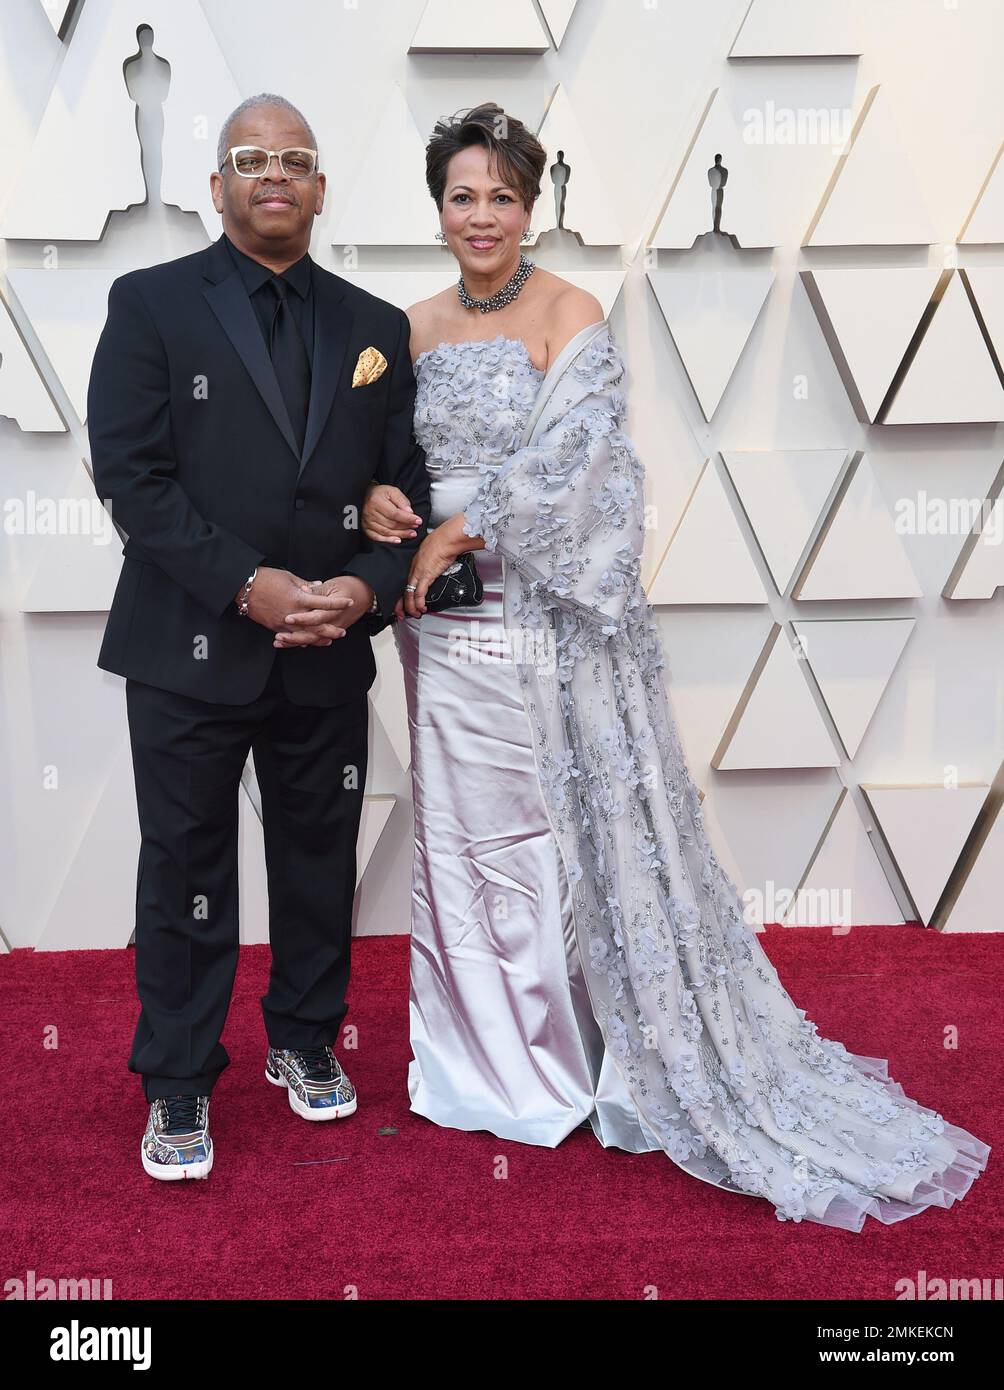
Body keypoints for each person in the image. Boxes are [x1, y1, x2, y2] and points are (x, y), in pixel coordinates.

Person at [355, 101, 991, 1229]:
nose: (482, 215)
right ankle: (480, 1063)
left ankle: (569, 1059)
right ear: (437, 206)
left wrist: (469, 522)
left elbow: (588, 470)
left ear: (530, 202)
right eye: (463, 196)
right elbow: (387, 458)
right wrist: (387, 501)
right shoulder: (407, 326)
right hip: (438, 629)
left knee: (550, 831)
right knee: (457, 835)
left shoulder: (571, 309)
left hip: (540, 622)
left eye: (502, 195)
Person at [88, 93, 430, 1179]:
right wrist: (249, 587)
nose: (272, 174)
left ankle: (304, 1040)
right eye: (250, 158)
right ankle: (179, 1082)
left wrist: (364, 590)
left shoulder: (375, 328)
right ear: (220, 187)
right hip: (187, 646)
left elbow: (402, 494)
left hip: (327, 650)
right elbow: (132, 483)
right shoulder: (148, 304)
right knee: (184, 865)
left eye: (294, 158)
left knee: (318, 857)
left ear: (319, 188)